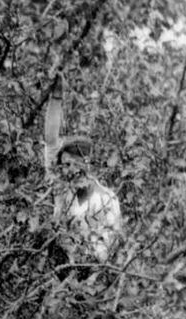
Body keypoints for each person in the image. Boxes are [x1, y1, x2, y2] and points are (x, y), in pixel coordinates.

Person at [44, 74, 122, 264]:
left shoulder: (107, 199)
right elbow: (51, 141)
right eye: (65, 165)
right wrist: (56, 98)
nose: (68, 170)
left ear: (87, 165)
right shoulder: (62, 189)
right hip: (53, 273)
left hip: (87, 278)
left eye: (74, 164)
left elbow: (106, 250)